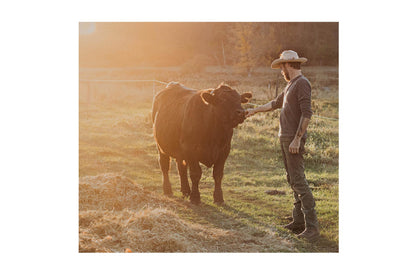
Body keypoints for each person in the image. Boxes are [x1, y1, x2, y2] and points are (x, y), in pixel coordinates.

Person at [245, 50, 319, 241]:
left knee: (299, 180)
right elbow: (274, 103)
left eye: (281, 67)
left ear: (288, 65)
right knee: (292, 179)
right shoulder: (290, 85)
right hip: (285, 137)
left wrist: (297, 138)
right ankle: (298, 221)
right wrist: (254, 110)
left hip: (292, 139)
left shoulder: (302, 83)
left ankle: (312, 228)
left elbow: (307, 113)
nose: (280, 71)